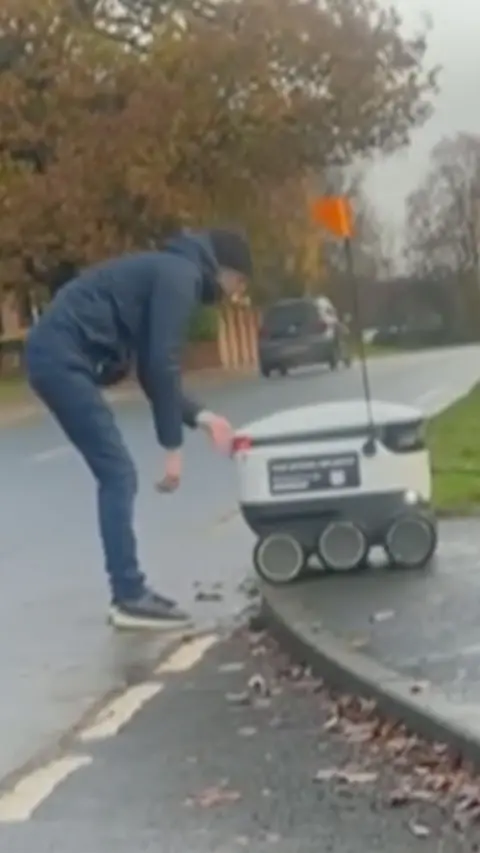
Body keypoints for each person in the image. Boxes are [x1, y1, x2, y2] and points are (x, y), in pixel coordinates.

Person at [25, 227, 253, 630]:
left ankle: (129, 592)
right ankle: (128, 596)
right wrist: (172, 448)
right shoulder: (181, 277)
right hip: (62, 358)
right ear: (225, 270)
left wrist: (203, 418)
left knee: (115, 474)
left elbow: (151, 370)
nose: (234, 294)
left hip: (55, 354)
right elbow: (163, 363)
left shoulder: (171, 270)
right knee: (118, 474)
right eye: (238, 284)